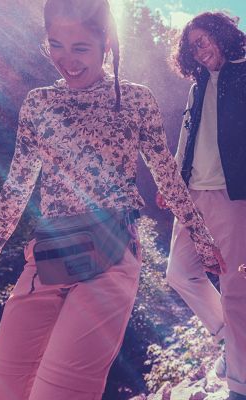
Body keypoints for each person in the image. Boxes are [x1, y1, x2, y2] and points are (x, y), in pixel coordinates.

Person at [0, 2, 225, 399]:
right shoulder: (39, 104)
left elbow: (165, 173)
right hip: (48, 254)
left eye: (80, 47)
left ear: (106, 44)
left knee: (61, 389)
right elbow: (17, 185)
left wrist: (201, 238)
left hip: (112, 254)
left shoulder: (134, 99)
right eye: (56, 45)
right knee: (6, 385)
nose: (67, 60)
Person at [157, 11, 246, 400]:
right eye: (194, 45)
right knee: (179, 272)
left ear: (223, 35)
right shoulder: (196, 87)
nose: (201, 48)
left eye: (206, 39)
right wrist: (172, 180)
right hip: (192, 195)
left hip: (231, 195)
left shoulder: (244, 75)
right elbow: (187, 137)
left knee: (236, 288)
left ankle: (240, 384)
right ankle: (232, 342)